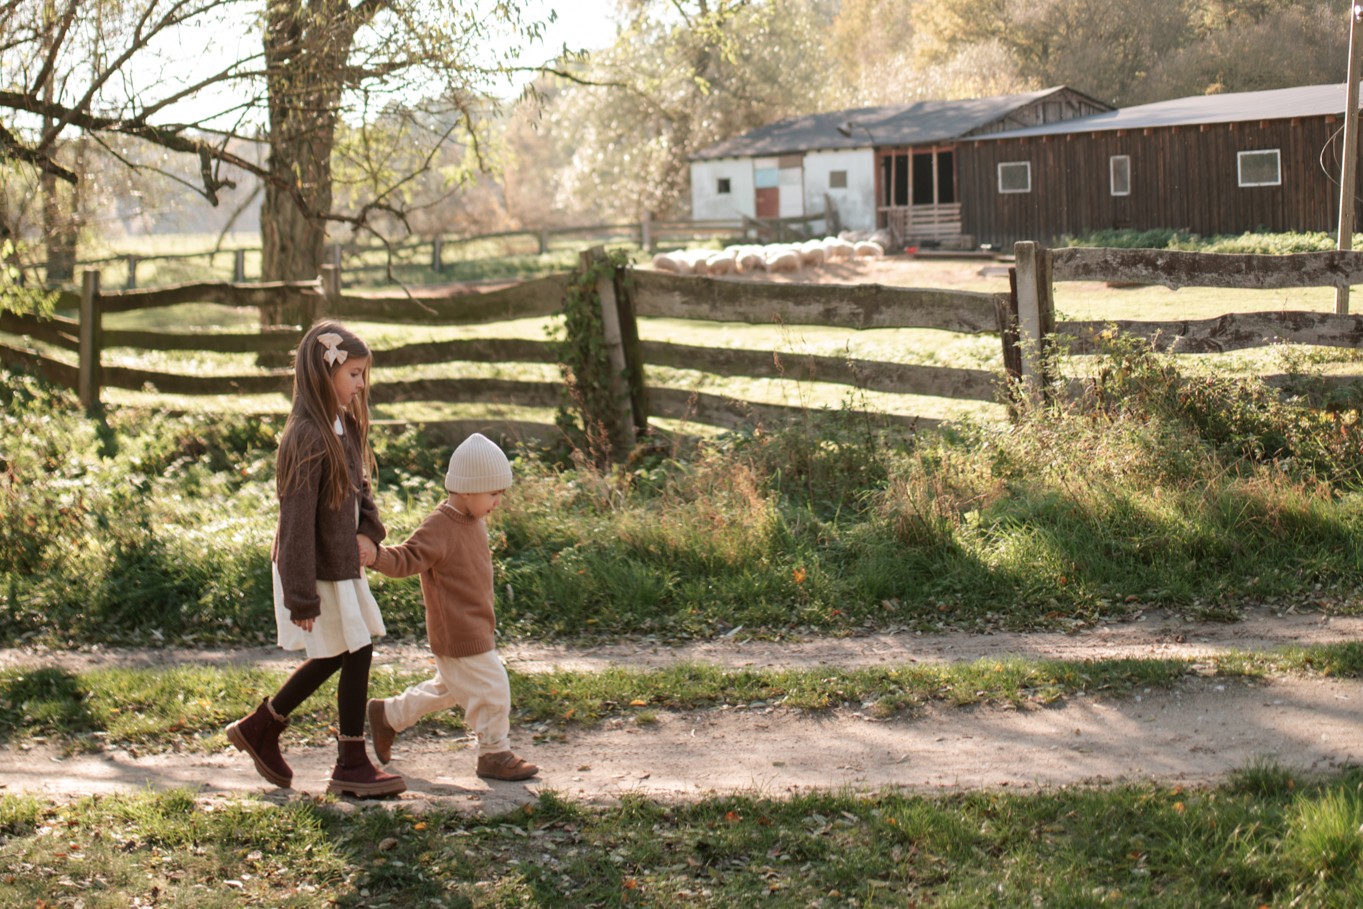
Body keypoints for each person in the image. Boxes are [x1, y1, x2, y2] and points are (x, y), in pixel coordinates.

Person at [226, 321, 406, 798]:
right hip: (314, 566)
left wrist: (370, 531)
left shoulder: (341, 426)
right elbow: (295, 524)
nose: (361, 385)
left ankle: (264, 727)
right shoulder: (305, 436)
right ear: (324, 373)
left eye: (363, 374)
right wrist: (300, 594)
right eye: (354, 374)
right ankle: (347, 760)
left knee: (350, 647)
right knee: (354, 646)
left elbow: (360, 489)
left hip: (340, 561)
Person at [363, 432, 539, 782]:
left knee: (448, 690)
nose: (497, 503)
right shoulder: (440, 525)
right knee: (492, 688)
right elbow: (408, 558)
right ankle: (493, 753)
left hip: (474, 625)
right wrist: (376, 556)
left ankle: (389, 715)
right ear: (467, 489)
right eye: (493, 494)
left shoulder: (473, 520)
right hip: (457, 631)